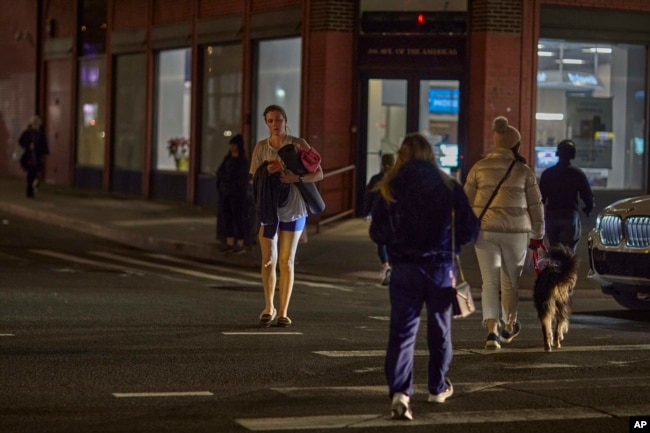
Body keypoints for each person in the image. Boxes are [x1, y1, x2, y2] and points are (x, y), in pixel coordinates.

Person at [369, 133, 478, 421]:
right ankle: (437, 386)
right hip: (439, 267)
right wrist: (451, 244)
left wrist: (394, 244)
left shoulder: (389, 187)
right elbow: (470, 228)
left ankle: (400, 394)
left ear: (402, 155)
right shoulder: (447, 185)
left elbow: (377, 233)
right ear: (431, 155)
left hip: (404, 267)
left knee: (403, 333)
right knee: (440, 329)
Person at [464, 116, 545, 350]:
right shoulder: (524, 170)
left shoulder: (479, 167)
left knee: (489, 282)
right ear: (516, 145)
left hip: (485, 231)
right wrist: (538, 234)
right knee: (509, 282)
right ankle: (509, 325)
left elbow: (465, 201)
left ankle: (491, 331)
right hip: (516, 233)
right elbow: (536, 206)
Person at [249, 105, 323, 328]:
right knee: (268, 259)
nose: (275, 124)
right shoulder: (261, 147)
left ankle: (283, 311)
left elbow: (318, 173)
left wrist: (296, 179)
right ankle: (268, 306)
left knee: (286, 261)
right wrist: (267, 171)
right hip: (269, 207)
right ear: (266, 123)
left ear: (285, 120)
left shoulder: (298, 144)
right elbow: (254, 179)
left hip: (293, 206)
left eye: (279, 120)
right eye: (271, 120)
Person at [538, 139, 594, 251]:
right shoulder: (577, 174)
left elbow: (540, 198)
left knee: (554, 250)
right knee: (568, 251)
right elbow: (587, 195)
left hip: (552, 216)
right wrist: (588, 208)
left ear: (558, 153)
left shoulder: (548, 173)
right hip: (569, 215)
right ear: (573, 155)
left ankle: (555, 267)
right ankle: (566, 268)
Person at [363, 153, 395, 286]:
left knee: (381, 242)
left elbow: (368, 197)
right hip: (393, 215)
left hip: (378, 214)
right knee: (392, 241)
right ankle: (392, 267)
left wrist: (366, 212)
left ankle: (385, 265)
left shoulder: (376, 179)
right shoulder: (396, 179)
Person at [216, 134, 250, 254]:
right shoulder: (228, 158)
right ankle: (229, 241)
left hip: (237, 194)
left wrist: (228, 179)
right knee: (227, 217)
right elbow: (220, 172)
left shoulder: (242, 161)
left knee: (238, 217)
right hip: (226, 192)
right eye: (231, 144)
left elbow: (241, 178)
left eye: (234, 144)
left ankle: (240, 242)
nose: (231, 147)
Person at [18, 115, 49, 198]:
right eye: (34, 124)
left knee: (37, 173)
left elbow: (44, 145)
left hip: (37, 157)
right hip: (29, 157)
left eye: (37, 124)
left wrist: (44, 154)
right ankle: (29, 191)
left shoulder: (41, 135)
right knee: (30, 173)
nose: (36, 126)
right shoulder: (27, 133)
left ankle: (33, 187)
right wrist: (28, 145)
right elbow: (21, 142)